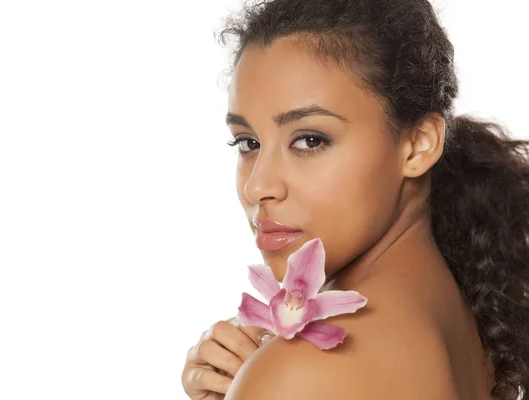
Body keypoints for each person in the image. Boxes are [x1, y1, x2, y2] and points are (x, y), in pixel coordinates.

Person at [181, 0, 529, 399]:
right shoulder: (462, 319)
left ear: (418, 145)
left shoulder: (305, 371)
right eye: (248, 142)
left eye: (310, 140)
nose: (257, 187)